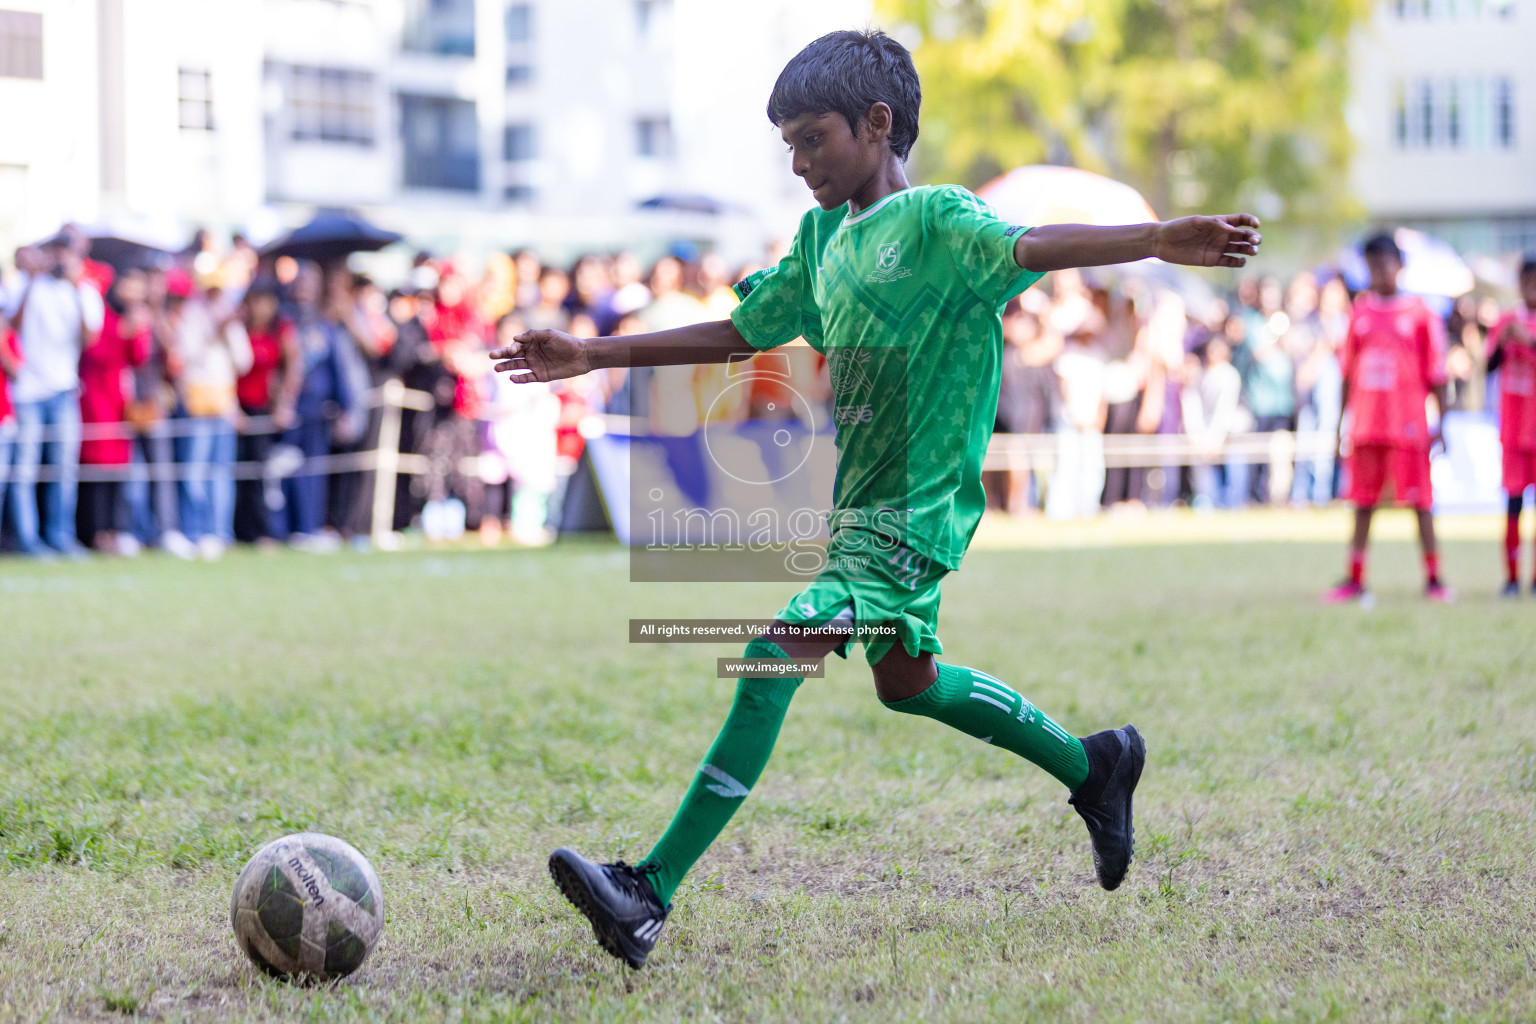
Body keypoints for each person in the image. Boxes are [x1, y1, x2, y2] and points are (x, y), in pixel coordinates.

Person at [493, 29, 1261, 969]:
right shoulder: (821, 239)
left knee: (778, 650)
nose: (801, 162)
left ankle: (648, 891)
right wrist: (593, 355)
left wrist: (1152, 239)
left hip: (914, 510)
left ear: (878, 124)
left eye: (814, 138)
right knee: (908, 684)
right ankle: (1095, 765)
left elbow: (1027, 244)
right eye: (788, 146)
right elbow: (744, 328)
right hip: (857, 509)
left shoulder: (939, 219)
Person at [1324, 233, 1451, 604]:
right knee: (1362, 503)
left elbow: (1437, 375)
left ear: (1400, 264)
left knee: (1420, 502)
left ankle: (1434, 578)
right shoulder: (1359, 313)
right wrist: (1339, 427)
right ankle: (1355, 577)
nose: (1378, 272)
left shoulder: (1420, 314)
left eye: (1384, 263)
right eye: (1371, 265)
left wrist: (1440, 423)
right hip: (1366, 426)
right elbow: (1346, 375)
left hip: (1407, 427)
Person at [4, 239, 103, 557]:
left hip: (64, 390)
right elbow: (12, 326)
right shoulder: (30, 285)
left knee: (64, 469)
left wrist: (74, 289)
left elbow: (89, 339)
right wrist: (33, 280)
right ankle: (27, 539)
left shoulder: (83, 291)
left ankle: (60, 535)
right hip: (28, 391)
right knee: (26, 470)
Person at [77, 267, 151, 553]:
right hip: (96, 399)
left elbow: (138, 358)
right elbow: (94, 353)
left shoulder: (129, 319)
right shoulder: (103, 315)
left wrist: (137, 332)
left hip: (121, 403)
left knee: (118, 469)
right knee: (97, 466)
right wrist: (123, 332)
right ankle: (94, 532)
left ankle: (113, 529)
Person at [233, 283, 300, 545]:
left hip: (264, 409)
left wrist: (284, 401)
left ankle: (262, 531)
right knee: (241, 471)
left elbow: (294, 363)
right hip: (239, 409)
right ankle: (242, 530)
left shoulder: (280, 329)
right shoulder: (239, 327)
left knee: (261, 471)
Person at [1485, 256, 1536, 596]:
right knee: (1513, 505)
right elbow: (1487, 367)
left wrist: (1529, 342)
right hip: (1514, 430)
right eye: (1526, 281)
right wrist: (1504, 342)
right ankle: (1512, 577)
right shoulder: (1505, 321)